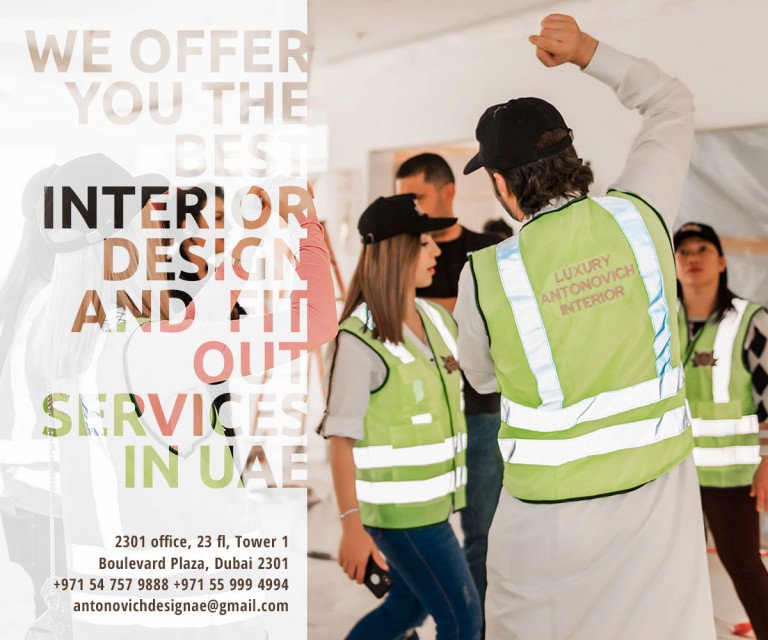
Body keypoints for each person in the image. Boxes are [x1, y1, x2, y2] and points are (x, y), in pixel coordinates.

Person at [454, 14, 715, 639]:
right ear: (571, 156)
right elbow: (671, 102)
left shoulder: (485, 275)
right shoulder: (642, 214)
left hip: (545, 527)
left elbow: (482, 376)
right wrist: (585, 52)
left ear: (500, 184)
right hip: (657, 505)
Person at [320, 194, 482, 640]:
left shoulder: (435, 319)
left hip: (434, 506)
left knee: (405, 609)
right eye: (425, 243)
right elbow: (340, 439)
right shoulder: (357, 340)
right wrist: (351, 526)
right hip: (398, 517)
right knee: (464, 619)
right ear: (397, 250)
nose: (436, 252)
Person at [395, 154, 502, 618]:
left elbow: (504, 320)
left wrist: (425, 305)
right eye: (403, 200)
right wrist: (459, 304)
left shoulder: (490, 249)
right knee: (416, 535)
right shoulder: (401, 254)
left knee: (483, 533)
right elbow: (390, 315)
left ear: (448, 192)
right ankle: (411, 618)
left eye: (415, 197)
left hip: (481, 414)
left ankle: (471, 627)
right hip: (419, 421)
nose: (410, 208)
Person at [675, 221, 768, 639]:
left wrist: (767, 461)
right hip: (672, 476)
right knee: (672, 572)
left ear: (722, 261)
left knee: (745, 567)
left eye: (702, 250)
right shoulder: (658, 323)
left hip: (732, 476)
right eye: (684, 252)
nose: (693, 258)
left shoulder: (751, 320)